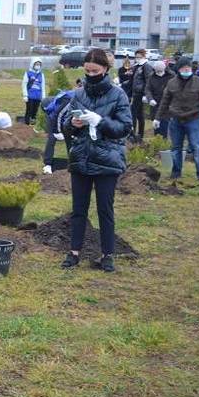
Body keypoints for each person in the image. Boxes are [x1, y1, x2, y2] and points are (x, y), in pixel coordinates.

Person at [60, 48, 132, 273]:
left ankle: (107, 254)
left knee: (105, 209)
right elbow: (66, 125)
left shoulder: (118, 95)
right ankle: (74, 252)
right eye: (87, 70)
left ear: (106, 70)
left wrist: (100, 121)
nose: (91, 74)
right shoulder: (79, 94)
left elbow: (124, 128)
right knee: (78, 209)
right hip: (81, 159)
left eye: (95, 71)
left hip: (107, 160)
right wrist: (74, 124)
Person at [154, 57, 199, 182]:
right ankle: (176, 172)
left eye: (188, 68)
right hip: (176, 120)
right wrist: (157, 118)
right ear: (179, 70)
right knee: (176, 148)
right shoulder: (172, 83)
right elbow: (165, 101)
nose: (186, 70)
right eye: (184, 69)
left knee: (198, 147)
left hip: (193, 119)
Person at [41, 89, 75, 174]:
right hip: (52, 112)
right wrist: (58, 131)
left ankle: (72, 163)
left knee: (69, 138)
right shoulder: (69, 101)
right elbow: (57, 115)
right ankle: (47, 165)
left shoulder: (87, 101)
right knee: (52, 137)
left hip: (64, 116)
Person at [145, 61, 174, 138]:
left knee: (165, 124)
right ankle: (157, 140)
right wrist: (150, 99)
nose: (158, 72)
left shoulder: (171, 76)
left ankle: (164, 141)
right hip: (155, 103)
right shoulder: (151, 77)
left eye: (160, 70)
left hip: (167, 105)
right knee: (156, 125)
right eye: (156, 70)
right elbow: (148, 89)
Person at [130, 49, 151, 141]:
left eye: (139, 57)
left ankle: (135, 134)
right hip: (135, 92)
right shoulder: (137, 66)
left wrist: (146, 94)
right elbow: (133, 80)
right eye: (136, 57)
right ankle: (138, 135)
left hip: (140, 93)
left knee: (134, 114)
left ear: (143, 57)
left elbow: (148, 81)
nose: (137, 58)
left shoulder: (146, 66)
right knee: (139, 114)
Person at [22, 58, 46, 125]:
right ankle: (26, 124)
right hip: (30, 96)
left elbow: (43, 86)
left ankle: (33, 123)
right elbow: (24, 84)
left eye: (39, 64)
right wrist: (25, 95)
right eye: (36, 64)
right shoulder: (28, 73)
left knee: (35, 112)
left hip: (38, 96)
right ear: (33, 64)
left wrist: (43, 96)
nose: (37, 66)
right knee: (29, 110)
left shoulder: (41, 75)